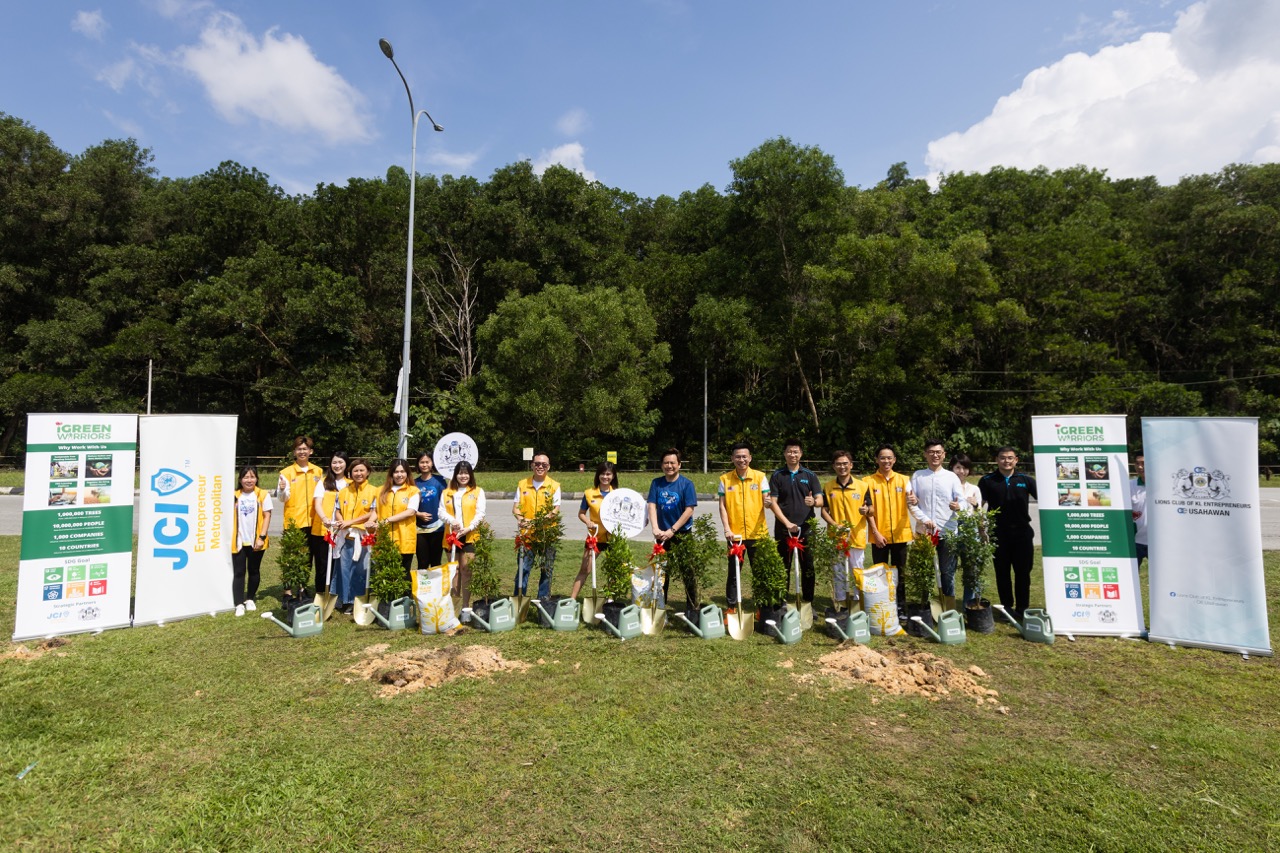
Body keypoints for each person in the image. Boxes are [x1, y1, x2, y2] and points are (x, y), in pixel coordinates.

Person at [978, 446, 1038, 621]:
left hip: (1022, 533)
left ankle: (1022, 608)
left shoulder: (1026, 480)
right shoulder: (987, 480)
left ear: (1016, 460)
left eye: (1010, 458)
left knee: (1023, 573)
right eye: (1003, 458)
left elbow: (1046, 499)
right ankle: (1006, 608)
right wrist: (981, 529)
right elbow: (978, 507)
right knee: (1002, 572)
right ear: (997, 460)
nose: (1006, 461)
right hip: (998, 534)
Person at [907, 439, 966, 606]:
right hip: (924, 531)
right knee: (924, 570)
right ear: (925, 454)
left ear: (944, 455)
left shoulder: (951, 477)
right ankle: (924, 605)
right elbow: (911, 503)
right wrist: (925, 520)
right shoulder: (918, 476)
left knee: (947, 572)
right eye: (931, 452)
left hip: (947, 532)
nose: (935, 455)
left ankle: (948, 606)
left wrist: (958, 506)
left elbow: (962, 501)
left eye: (938, 452)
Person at [717, 442, 771, 613]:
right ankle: (731, 607)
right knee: (734, 573)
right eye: (738, 457)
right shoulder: (725, 479)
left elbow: (766, 499)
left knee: (760, 572)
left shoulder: (760, 477)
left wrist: (768, 502)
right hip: (735, 535)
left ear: (750, 458)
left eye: (744, 456)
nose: (741, 460)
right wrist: (727, 529)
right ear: (732, 459)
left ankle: (761, 607)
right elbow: (722, 506)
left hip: (758, 534)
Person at [768, 438, 824, 605]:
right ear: (784, 454)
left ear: (801, 454)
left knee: (808, 566)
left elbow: (820, 500)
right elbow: (773, 503)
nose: (792, 455)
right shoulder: (777, 475)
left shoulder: (810, 475)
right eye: (789, 452)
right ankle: (781, 601)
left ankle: (808, 601)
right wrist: (787, 523)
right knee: (783, 565)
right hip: (783, 528)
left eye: (796, 452)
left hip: (806, 528)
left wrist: (813, 502)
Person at [864, 444, 914, 608]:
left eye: (889, 458)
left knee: (900, 572)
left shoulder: (904, 480)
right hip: (879, 536)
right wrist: (876, 533)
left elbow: (913, 501)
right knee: (880, 572)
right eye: (883, 458)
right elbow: (868, 511)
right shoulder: (867, 482)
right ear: (877, 460)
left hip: (900, 534)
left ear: (894, 460)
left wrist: (915, 500)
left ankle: (900, 605)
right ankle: (882, 604)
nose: (886, 461)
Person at [822, 450, 870, 611]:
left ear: (851, 465)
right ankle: (841, 602)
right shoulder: (828, 487)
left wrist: (866, 510)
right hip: (836, 536)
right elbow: (824, 511)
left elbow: (871, 509)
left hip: (856, 535)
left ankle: (858, 601)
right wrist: (834, 525)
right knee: (838, 570)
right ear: (834, 466)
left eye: (845, 463)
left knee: (857, 569)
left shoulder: (862, 486)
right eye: (838, 464)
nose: (842, 467)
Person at [276, 436, 323, 596]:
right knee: (290, 557)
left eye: (305, 449)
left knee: (307, 557)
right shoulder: (286, 473)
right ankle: (288, 591)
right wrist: (282, 489)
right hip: (294, 521)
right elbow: (282, 498)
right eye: (299, 449)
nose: (302, 452)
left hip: (313, 521)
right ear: (294, 452)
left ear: (311, 451)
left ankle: (302, 587)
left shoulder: (318, 471)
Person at [331, 457, 378, 615]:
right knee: (343, 569)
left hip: (362, 536)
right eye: (355, 471)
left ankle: (356, 600)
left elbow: (373, 512)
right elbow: (338, 510)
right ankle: (343, 599)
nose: (358, 473)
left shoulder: (374, 491)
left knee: (360, 570)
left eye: (361, 470)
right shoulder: (344, 492)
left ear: (368, 472)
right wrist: (341, 522)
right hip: (345, 536)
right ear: (350, 473)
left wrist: (350, 522)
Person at [441, 460, 486, 618]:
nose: (463, 476)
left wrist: (469, 528)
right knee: (455, 571)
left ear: (470, 475)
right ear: (455, 475)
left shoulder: (477, 491)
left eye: (466, 473)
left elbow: (480, 513)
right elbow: (441, 511)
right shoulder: (447, 492)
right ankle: (455, 606)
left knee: (466, 570)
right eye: (460, 473)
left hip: (469, 536)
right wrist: (452, 521)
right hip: (451, 536)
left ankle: (466, 607)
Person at [512, 452, 561, 598]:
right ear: (532, 465)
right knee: (523, 568)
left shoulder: (554, 486)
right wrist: (521, 519)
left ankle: (543, 600)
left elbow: (555, 510)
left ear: (548, 467)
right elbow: (515, 507)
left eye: (544, 464)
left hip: (547, 535)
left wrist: (537, 522)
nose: (540, 467)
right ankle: (519, 599)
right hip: (527, 535)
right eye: (537, 464)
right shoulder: (522, 484)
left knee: (546, 570)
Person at [571, 461, 620, 600]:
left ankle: (610, 600)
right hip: (595, 537)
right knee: (585, 569)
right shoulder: (589, 493)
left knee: (613, 571)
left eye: (608, 474)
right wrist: (588, 521)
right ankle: (572, 600)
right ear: (598, 475)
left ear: (613, 476)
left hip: (613, 538)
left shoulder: (618, 494)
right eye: (602, 474)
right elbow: (581, 513)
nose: (605, 477)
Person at [232, 465, 272, 616]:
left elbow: (267, 516)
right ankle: (238, 603)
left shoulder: (263, 494)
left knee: (254, 570)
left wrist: (261, 537)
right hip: (238, 541)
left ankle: (250, 599)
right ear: (240, 479)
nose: (249, 480)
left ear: (257, 479)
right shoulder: (234, 495)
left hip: (256, 541)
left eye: (252, 477)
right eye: (246, 477)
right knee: (239, 572)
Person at [310, 452, 350, 599]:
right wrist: (324, 518)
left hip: (343, 530)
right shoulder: (323, 482)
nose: (337, 465)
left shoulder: (350, 483)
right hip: (324, 530)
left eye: (340, 462)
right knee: (322, 565)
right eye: (334, 462)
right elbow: (317, 503)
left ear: (346, 464)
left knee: (340, 563)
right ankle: (321, 593)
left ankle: (337, 593)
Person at [377, 459, 421, 578]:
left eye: (402, 471)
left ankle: (406, 592)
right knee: (385, 574)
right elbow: (376, 511)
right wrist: (371, 521)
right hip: (385, 538)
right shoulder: (380, 490)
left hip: (404, 538)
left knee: (403, 573)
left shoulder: (413, 491)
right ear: (391, 473)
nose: (399, 475)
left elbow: (410, 511)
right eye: (396, 472)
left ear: (407, 473)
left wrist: (387, 520)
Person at [414, 452, 447, 570]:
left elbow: (446, 501)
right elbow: (408, 506)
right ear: (418, 464)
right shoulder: (414, 483)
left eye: (427, 462)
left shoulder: (440, 480)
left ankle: (436, 583)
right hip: (419, 529)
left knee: (435, 562)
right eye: (422, 462)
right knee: (422, 562)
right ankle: (422, 583)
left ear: (432, 463)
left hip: (438, 528)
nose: (424, 465)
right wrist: (418, 514)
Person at [1131, 453, 1147, 568]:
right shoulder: (1128, 485)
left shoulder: (1164, 485)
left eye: (1143, 463)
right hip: (1135, 541)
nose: (1140, 467)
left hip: (1158, 541)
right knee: (1131, 574)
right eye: (1137, 463)